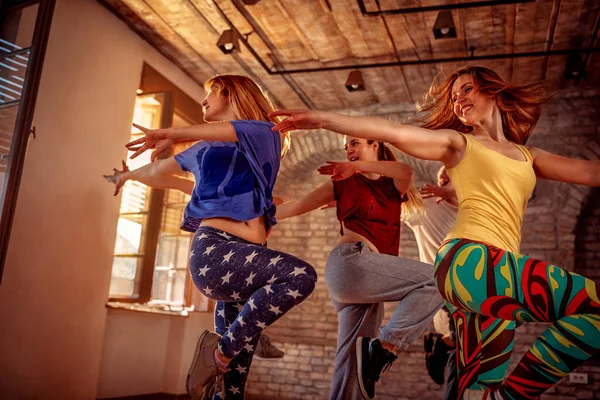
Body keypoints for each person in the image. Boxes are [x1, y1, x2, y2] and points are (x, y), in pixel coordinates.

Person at [269, 65, 600, 400]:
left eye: (466, 90)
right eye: (454, 97)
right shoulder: (459, 144)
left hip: (490, 283)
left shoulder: (531, 157)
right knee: (592, 305)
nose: (458, 101)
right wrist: (322, 119)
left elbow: (591, 171)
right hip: (472, 261)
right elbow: (393, 132)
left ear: (493, 91)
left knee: (477, 390)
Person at [105, 74, 317, 400]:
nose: (204, 101)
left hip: (245, 261)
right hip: (216, 250)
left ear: (230, 92)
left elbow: (233, 132)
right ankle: (219, 351)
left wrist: (171, 133)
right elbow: (161, 171)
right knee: (300, 276)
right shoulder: (203, 149)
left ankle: (233, 348)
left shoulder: (263, 132)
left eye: (210, 93)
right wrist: (126, 175)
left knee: (231, 386)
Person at [276, 136, 444, 400]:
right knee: (438, 279)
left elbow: (407, 171)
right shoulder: (342, 182)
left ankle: (372, 358)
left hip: (368, 282)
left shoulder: (393, 184)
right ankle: (385, 347)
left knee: (352, 371)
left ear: (374, 144)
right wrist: (247, 209)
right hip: (350, 263)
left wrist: (356, 167)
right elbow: (295, 207)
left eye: (354, 143)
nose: (349, 150)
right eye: (346, 147)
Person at [404, 165, 458, 399]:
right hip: (444, 287)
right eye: (443, 170)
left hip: (476, 286)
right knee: (465, 349)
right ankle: (446, 345)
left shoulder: (476, 210)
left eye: (454, 170)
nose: (445, 173)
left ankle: (444, 344)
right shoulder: (425, 205)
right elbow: (384, 204)